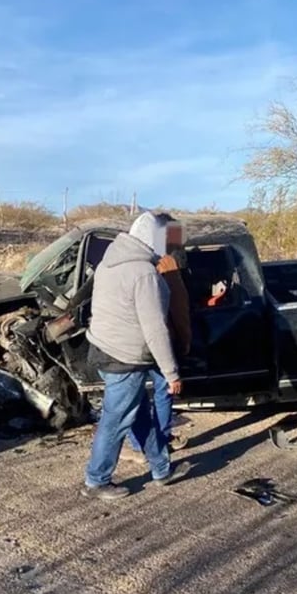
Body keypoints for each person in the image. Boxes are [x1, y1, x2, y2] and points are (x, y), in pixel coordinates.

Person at [82, 211, 191, 499]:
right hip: (125, 359)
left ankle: (161, 469)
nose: (167, 249)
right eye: (165, 241)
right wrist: (171, 373)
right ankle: (97, 480)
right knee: (116, 420)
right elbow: (155, 328)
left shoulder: (109, 262)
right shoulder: (143, 273)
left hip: (103, 349)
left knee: (139, 415)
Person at [122, 214, 192, 456]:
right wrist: (184, 342)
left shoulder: (128, 261)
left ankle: (139, 443)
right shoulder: (168, 266)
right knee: (163, 390)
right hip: (161, 338)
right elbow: (180, 310)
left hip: (130, 340)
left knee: (135, 395)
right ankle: (161, 442)